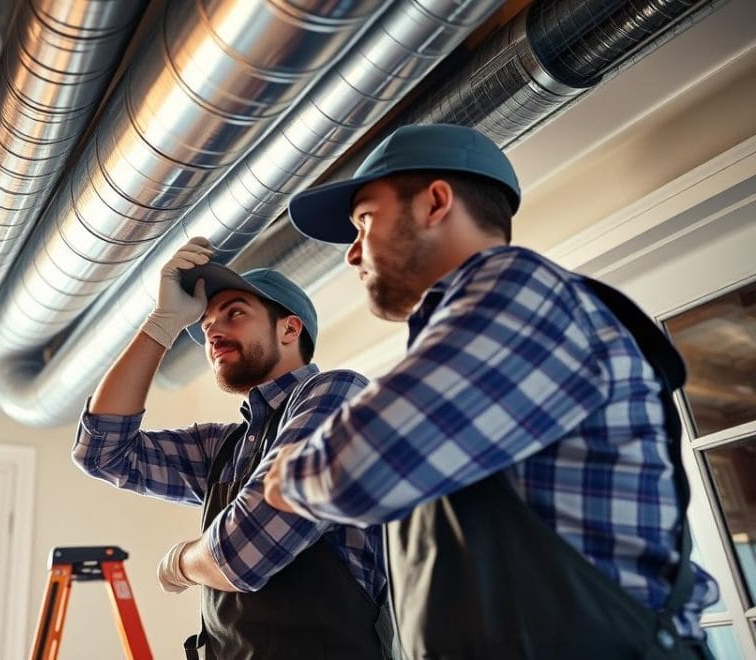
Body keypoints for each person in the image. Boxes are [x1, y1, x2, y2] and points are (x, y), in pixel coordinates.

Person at [263, 123, 720, 659]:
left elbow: (356, 470)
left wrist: (285, 472)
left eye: (364, 221)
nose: (352, 253)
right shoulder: (476, 340)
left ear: (435, 203)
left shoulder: (517, 289)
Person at [73, 238, 392, 659]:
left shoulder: (337, 393)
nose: (214, 332)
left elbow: (243, 555)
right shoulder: (224, 448)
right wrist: (162, 323)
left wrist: (180, 562)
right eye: (206, 328)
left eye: (235, 313)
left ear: (289, 328)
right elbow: (102, 452)